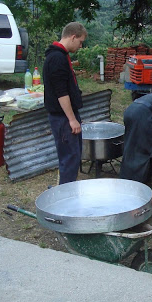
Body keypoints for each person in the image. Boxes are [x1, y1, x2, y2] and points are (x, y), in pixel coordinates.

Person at [43, 22, 87, 184]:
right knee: (69, 160)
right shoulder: (56, 59)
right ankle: (66, 201)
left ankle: (69, 195)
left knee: (73, 157)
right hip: (62, 118)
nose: (81, 46)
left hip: (66, 116)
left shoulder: (61, 56)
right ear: (73, 37)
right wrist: (72, 119)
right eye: (80, 42)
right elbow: (61, 93)